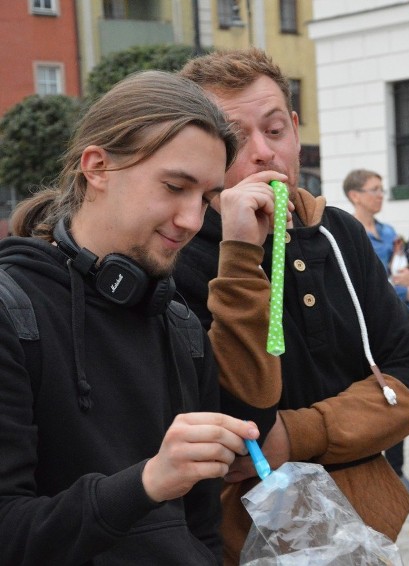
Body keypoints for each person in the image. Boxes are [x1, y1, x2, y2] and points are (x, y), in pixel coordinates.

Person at [0, 70, 281, 564]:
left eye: (205, 197)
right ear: (97, 167)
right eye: (175, 186)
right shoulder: (11, 312)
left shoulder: (178, 323)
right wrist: (148, 481)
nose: (192, 219)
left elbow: (201, 529)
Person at [175, 48, 409, 564]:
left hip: (365, 531)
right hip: (235, 542)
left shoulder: (339, 233)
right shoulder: (178, 251)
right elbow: (231, 418)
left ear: (295, 129)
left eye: (274, 131)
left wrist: (296, 434)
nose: (262, 153)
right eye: (234, 140)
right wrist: (242, 251)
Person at [343, 167, 409, 496]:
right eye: (373, 189)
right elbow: (362, 286)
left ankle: (397, 470)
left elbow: (401, 271)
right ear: (355, 196)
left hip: (399, 326)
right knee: (371, 398)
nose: (380, 195)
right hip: (369, 328)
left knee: (399, 395)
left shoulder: (389, 232)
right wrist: (406, 291)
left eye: (381, 189)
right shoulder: (348, 233)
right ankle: (367, 468)